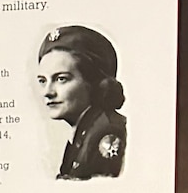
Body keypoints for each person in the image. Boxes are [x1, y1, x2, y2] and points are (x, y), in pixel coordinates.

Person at [35, 25, 127, 180]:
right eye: (43, 81)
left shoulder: (106, 133)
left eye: (61, 79)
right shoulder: (85, 132)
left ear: (92, 82)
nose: (47, 92)